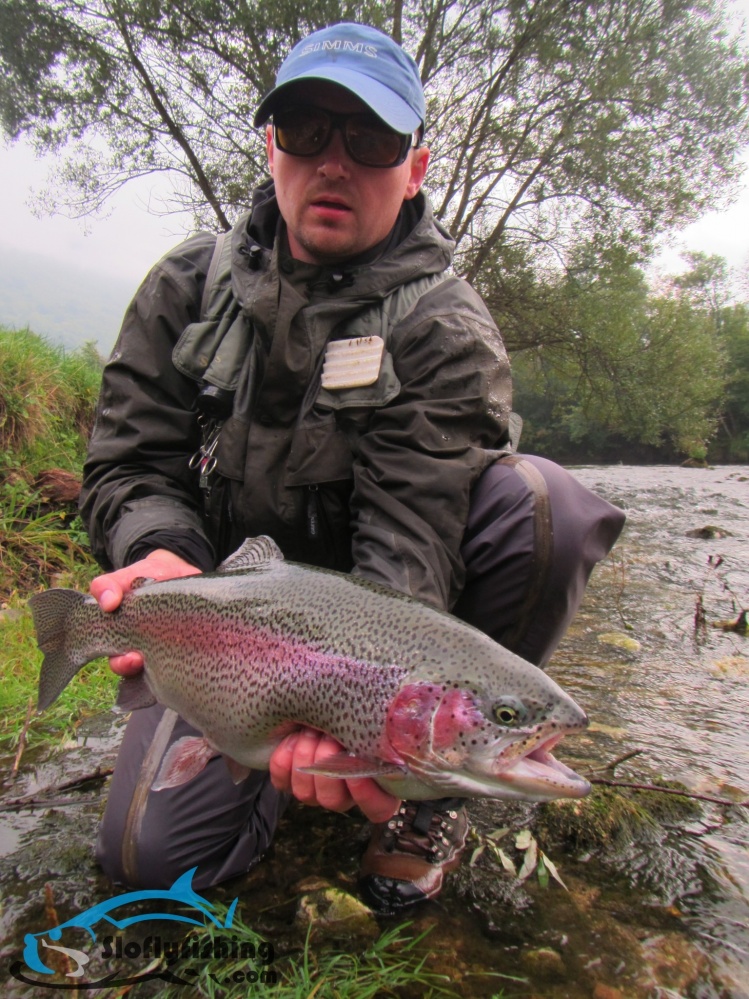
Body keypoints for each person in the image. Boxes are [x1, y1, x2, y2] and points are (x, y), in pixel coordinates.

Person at [79, 22, 625, 915]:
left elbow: (412, 538)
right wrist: (160, 549)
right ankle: (257, 754)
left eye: (369, 139)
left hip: (375, 611)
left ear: (413, 168)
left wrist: (358, 709)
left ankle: (422, 793)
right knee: (150, 865)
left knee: (543, 505)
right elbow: (128, 463)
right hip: (226, 606)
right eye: (306, 131)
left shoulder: (445, 328)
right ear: (271, 146)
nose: (334, 162)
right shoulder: (186, 287)